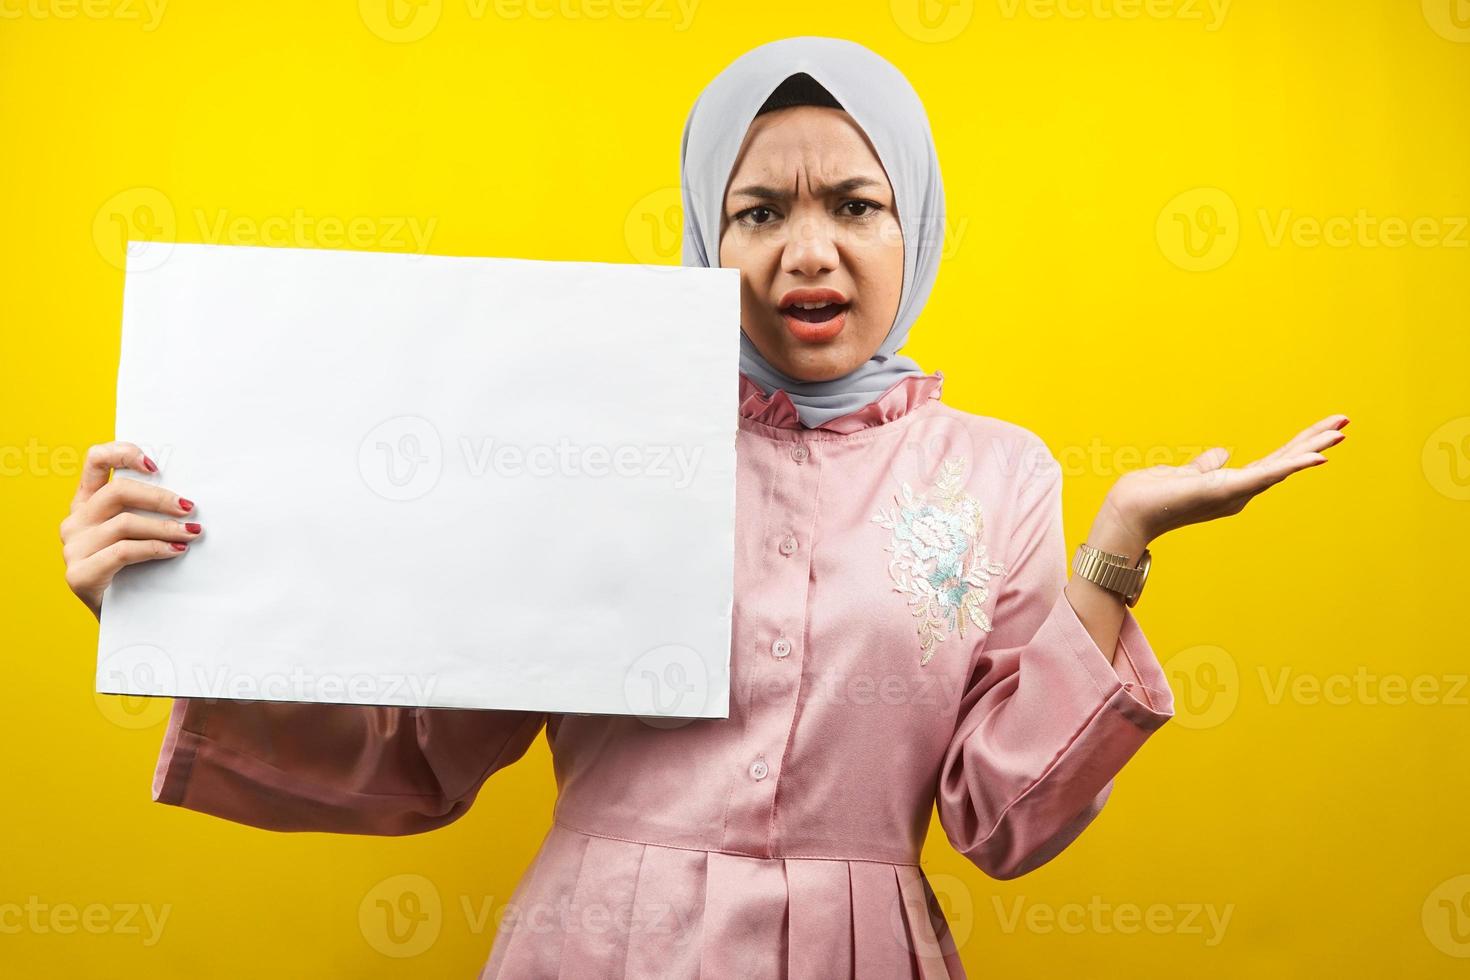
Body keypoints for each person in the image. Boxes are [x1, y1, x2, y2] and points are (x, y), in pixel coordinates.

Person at [59, 36, 1347, 979]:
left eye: (855, 205)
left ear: (919, 229)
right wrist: (172, 607)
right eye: (757, 211)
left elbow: (1001, 819)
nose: (808, 252)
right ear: (702, 235)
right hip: (592, 948)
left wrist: (1116, 550)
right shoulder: (598, 437)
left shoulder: (997, 474)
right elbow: (420, 750)